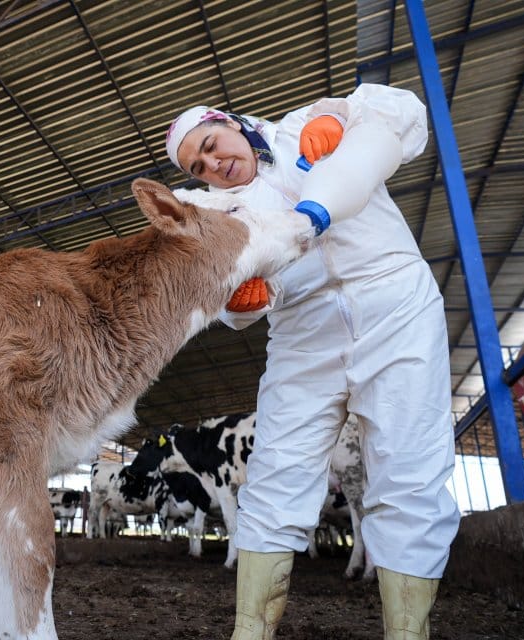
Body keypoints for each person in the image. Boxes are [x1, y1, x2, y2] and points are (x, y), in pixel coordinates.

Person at [163, 84, 461, 640]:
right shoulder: (208, 210)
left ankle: (407, 632)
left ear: (231, 123)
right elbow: (225, 302)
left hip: (393, 298)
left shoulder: (302, 126)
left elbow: (405, 116)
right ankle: (250, 631)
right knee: (276, 471)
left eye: (211, 143)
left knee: (408, 467)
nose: (213, 162)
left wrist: (341, 116)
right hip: (303, 330)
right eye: (199, 166)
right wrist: (239, 306)